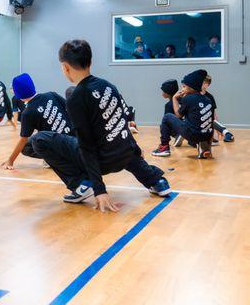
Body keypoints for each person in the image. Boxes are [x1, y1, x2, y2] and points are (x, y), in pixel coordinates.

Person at [31, 39, 170, 211]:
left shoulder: (76, 98)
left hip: (102, 162)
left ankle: (80, 184)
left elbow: (86, 144)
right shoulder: (108, 86)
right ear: (90, 62)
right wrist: (136, 148)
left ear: (65, 67)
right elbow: (121, 124)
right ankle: (155, 180)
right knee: (117, 141)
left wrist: (99, 189)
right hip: (125, 153)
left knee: (40, 140)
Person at [1, 73, 73, 170]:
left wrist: (10, 160)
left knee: (27, 146)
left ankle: (55, 158)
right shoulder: (51, 94)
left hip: (60, 145)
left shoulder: (28, 113)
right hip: (75, 140)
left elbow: (23, 140)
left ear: (18, 94)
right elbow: (70, 110)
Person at [152, 69, 214, 159]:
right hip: (207, 136)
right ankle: (204, 148)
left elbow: (178, 115)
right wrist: (209, 145)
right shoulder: (208, 99)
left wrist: (174, 98)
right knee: (199, 123)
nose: (182, 89)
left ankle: (164, 148)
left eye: (184, 86)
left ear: (191, 87)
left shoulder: (188, 98)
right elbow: (211, 122)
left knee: (167, 117)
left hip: (193, 135)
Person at [201, 74, 234, 143]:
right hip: (198, 120)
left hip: (208, 121)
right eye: (201, 82)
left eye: (204, 83)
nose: (202, 84)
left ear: (207, 85)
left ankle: (227, 133)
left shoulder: (210, 97)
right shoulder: (194, 95)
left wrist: (217, 129)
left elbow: (213, 113)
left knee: (210, 119)